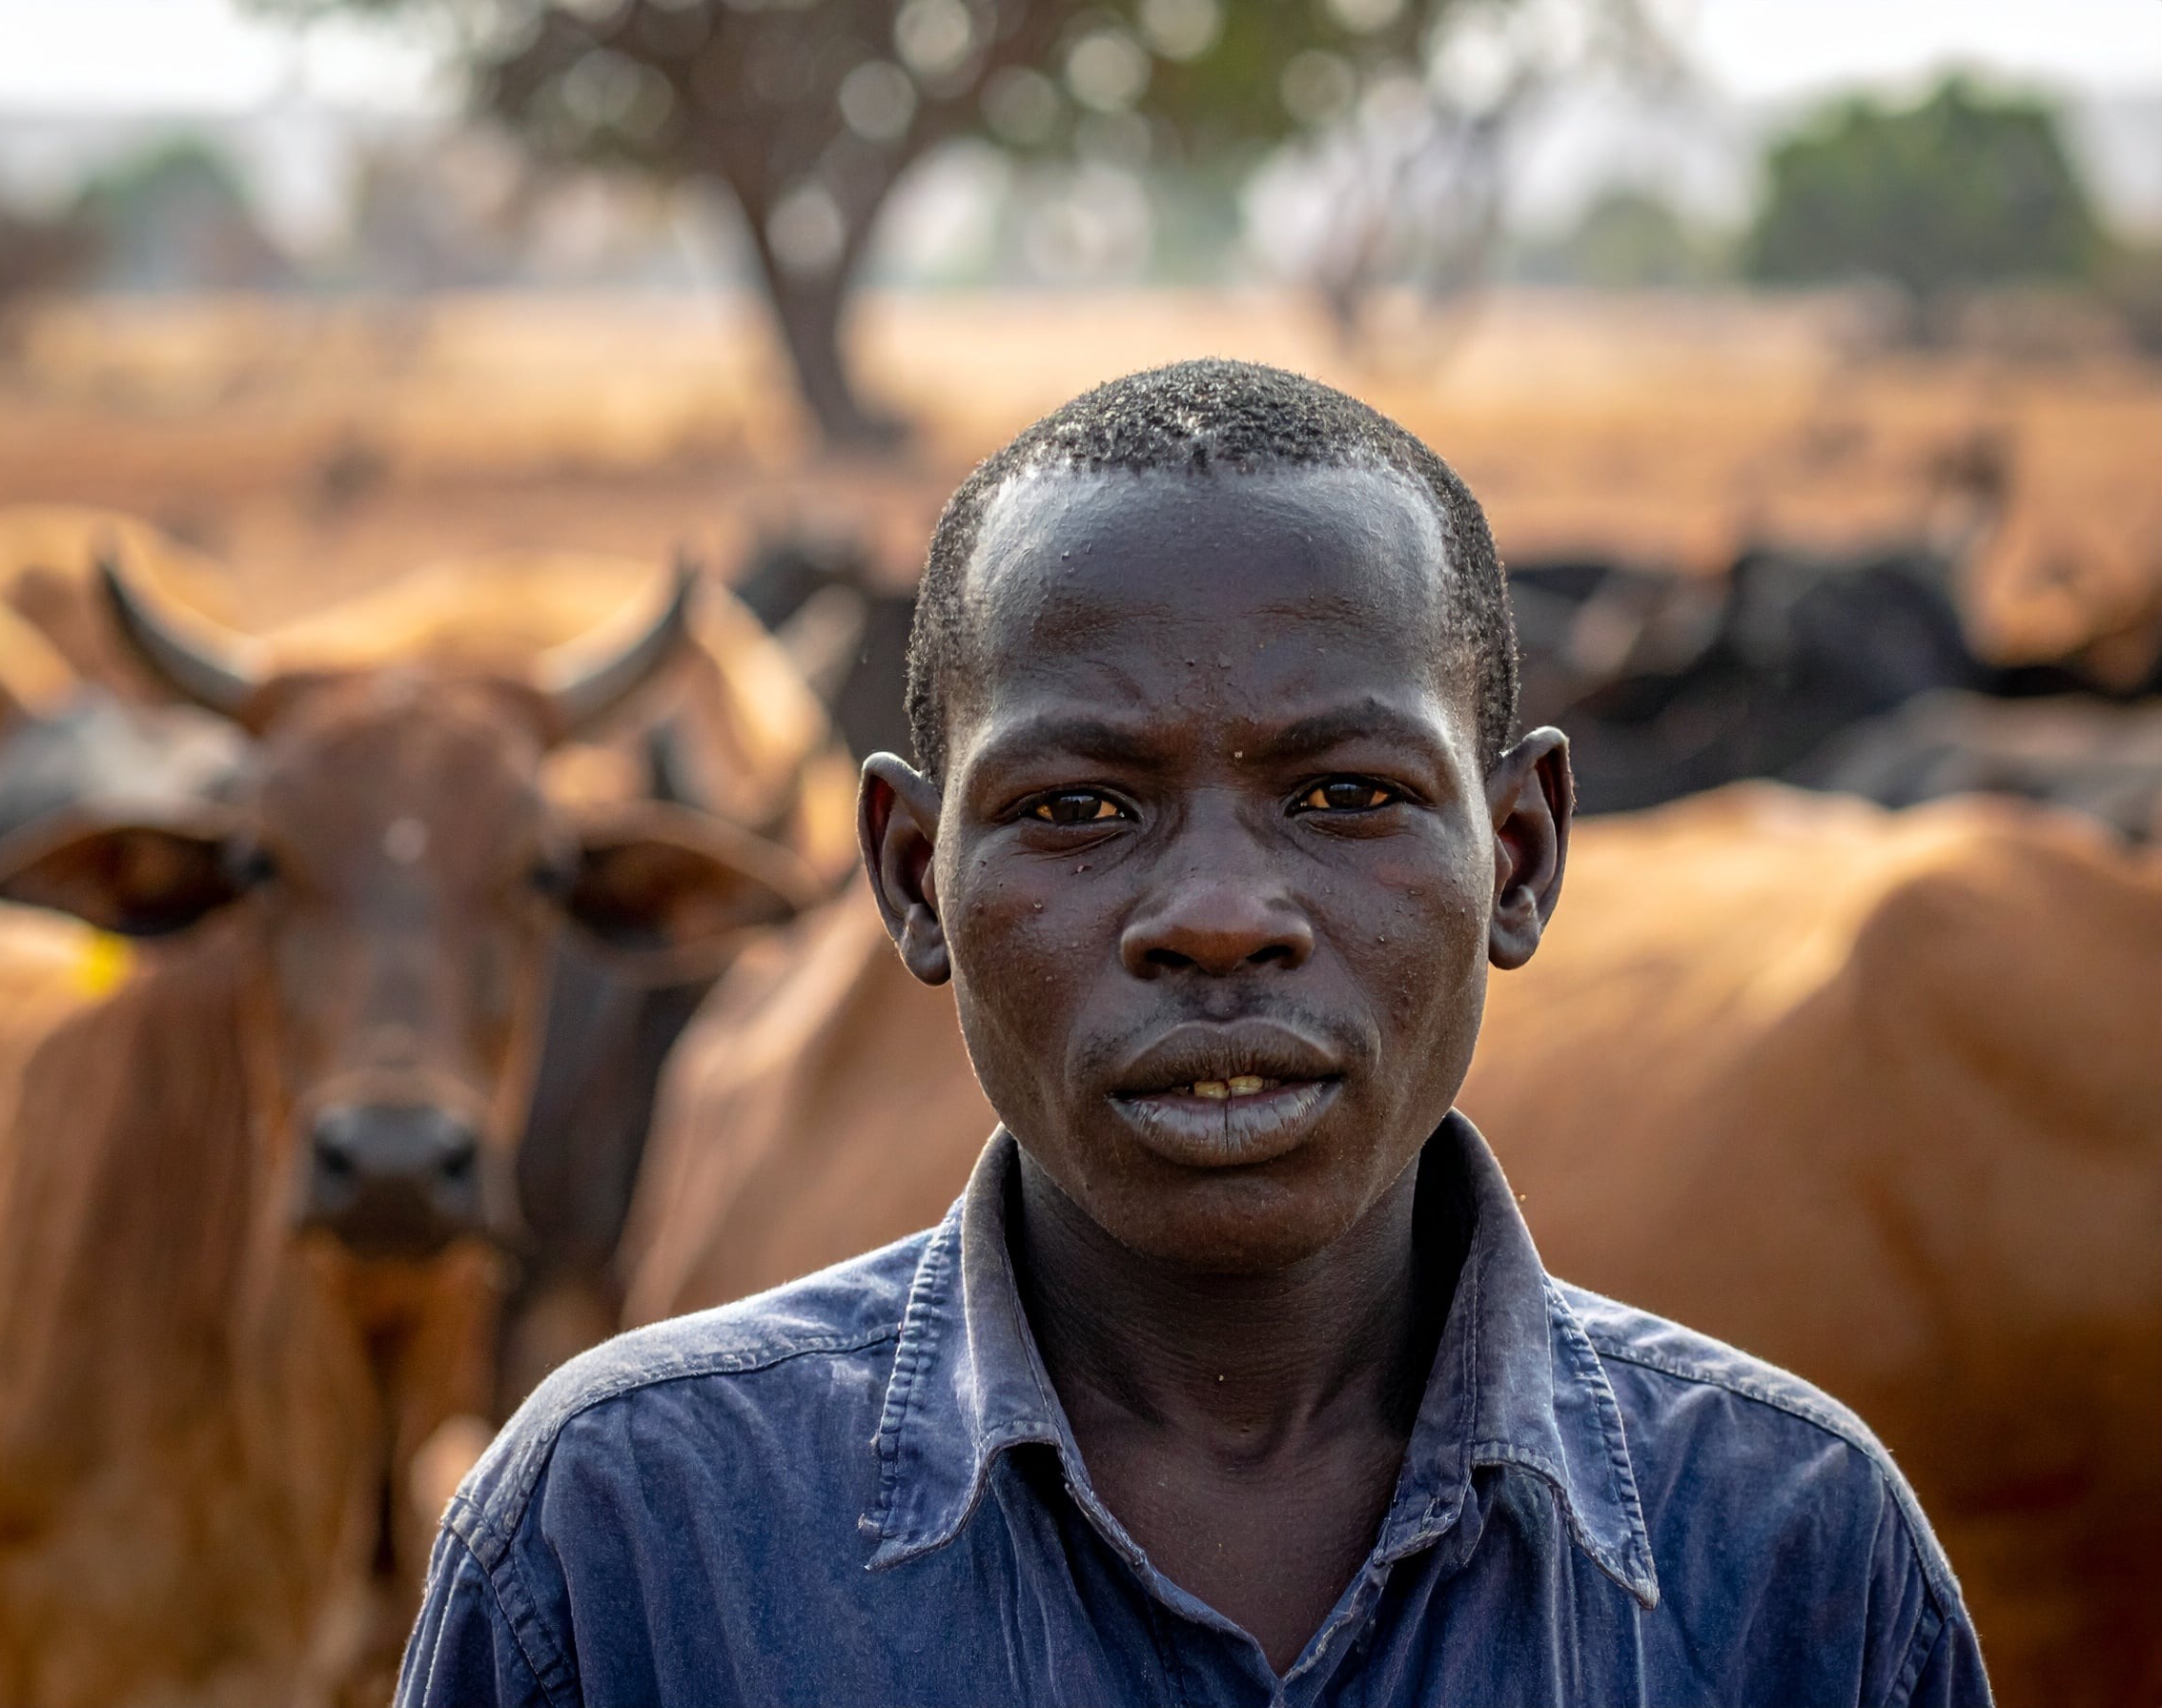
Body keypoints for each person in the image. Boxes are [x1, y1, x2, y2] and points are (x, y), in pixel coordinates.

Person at [397, 361, 1989, 1706]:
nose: (1221, 914)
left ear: (1519, 855)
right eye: (1079, 807)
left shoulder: (1795, 1554)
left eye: (1348, 797)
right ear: (912, 878)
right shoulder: (623, 1545)